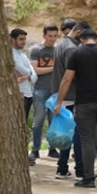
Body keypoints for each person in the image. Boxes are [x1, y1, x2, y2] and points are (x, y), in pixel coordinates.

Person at [53, 28, 97, 188]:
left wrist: (59, 102)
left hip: (84, 103)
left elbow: (66, 79)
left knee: (87, 140)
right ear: (95, 39)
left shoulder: (77, 54)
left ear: (81, 39)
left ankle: (88, 178)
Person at [28, 25, 60, 165]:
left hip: (54, 90)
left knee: (53, 121)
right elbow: (35, 70)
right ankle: (35, 148)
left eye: (55, 36)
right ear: (44, 36)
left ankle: (52, 148)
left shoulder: (58, 50)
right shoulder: (36, 49)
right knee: (38, 120)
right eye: (50, 36)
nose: (52, 39)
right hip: (40, 89)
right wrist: (54, 68)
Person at [10, 28, 36, 141]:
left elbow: (34, 77)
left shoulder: (23, 56)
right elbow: (26, 71)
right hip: (19, 95)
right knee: (18, 126)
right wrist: (30, 74)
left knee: (23, 125)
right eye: (21, 39)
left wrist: (29, 75)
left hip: (28, 94)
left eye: (24, 39)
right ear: (12, 39)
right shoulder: (11, 55)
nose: (23, 41)